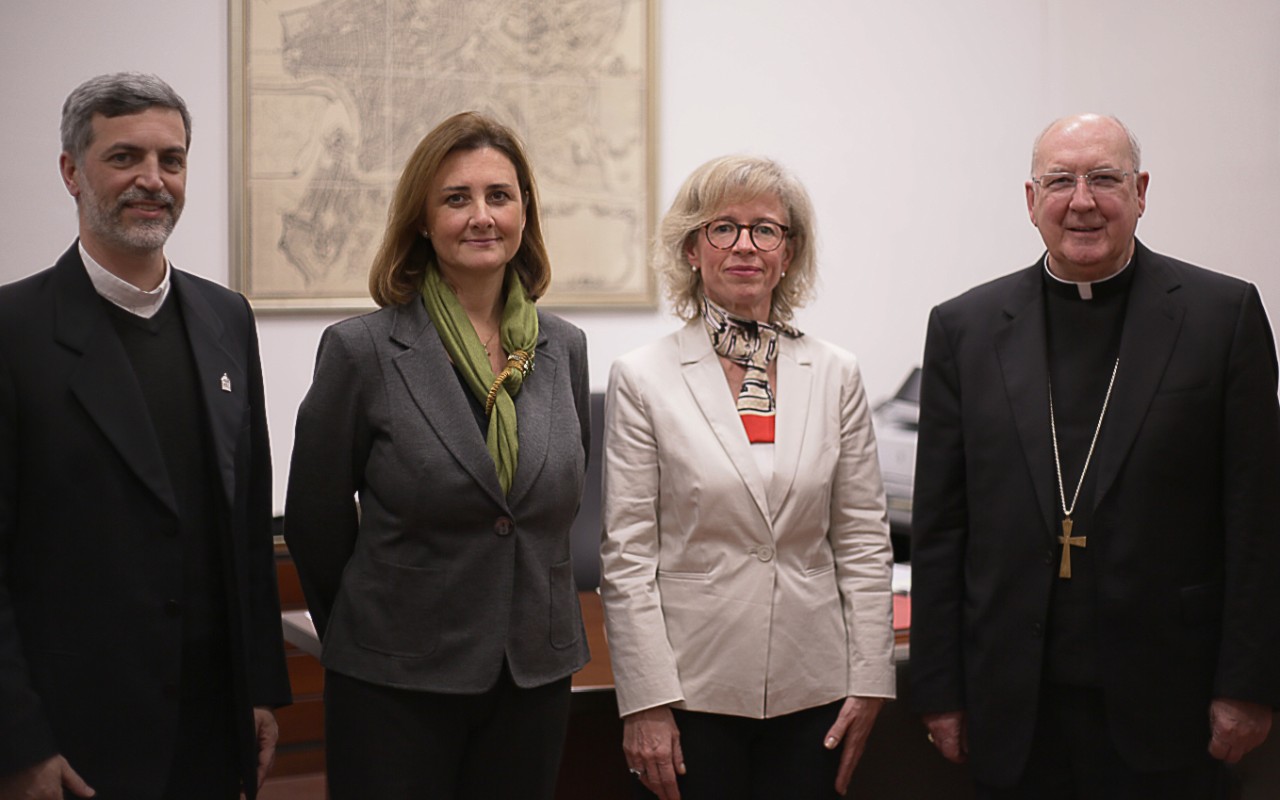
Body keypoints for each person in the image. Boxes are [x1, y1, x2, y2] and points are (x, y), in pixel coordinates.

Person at [910, 113, 1280, 798]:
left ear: (1140, 191)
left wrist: (1249, 684)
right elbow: (940, 529)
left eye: (1104, 179)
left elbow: (1258, 519)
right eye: (1060, 181)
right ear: (1030, 200)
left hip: (1174, 703)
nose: (1082, 201)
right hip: (1013, 710)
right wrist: (939, 689)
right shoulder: (965, 329)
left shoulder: (1220, 316)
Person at [0, 73, 291, 799]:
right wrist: (17, 744)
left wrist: (259, 690)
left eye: (172, 160)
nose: (151, 181)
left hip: (214, 728)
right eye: (124, 157)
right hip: (77, 740)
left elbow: (248, 527)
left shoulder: (227, 319)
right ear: (72, 171)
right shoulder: (13, 332)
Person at [285, 111, 591, 799]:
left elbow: (554, 505)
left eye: (499, 196)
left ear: (524, 214)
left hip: (532, 675)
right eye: (456, 199)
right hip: (395, 682)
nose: (481, 216)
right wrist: (374, 632)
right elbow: (313, 520)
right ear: (422, 220)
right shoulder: (361, 352)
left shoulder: (562, 347)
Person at [600, 155, 896, 800]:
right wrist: (644, 701)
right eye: (722, 227)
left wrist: (872, 678)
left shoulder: (836, 372)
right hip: (691, 689)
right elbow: (626, 556)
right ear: (691, 248)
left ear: (788, 253)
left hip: (815, 687)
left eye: (766, 229)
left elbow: (863, 541)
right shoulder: (643, 376)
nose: (744, 246)